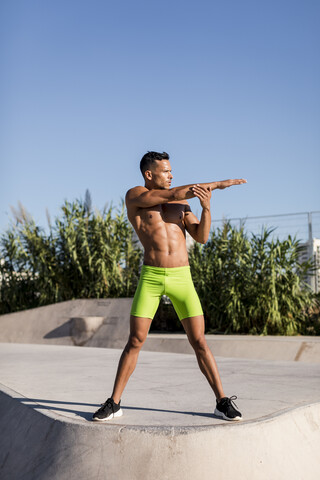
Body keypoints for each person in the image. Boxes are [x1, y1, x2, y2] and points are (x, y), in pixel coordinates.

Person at [93, 151, 247, 422]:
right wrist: (219, 183)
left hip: (181, 278)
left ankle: (222, 401)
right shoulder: (136, 196)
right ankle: (114, 402)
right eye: (166, 171)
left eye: (171, 171)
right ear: (149, 174)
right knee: (135, 340)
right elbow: (169, 195)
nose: (171, 175)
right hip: (151, 277)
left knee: (199, 340)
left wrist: (206, 207)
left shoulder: (182, 206)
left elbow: (201, 237)